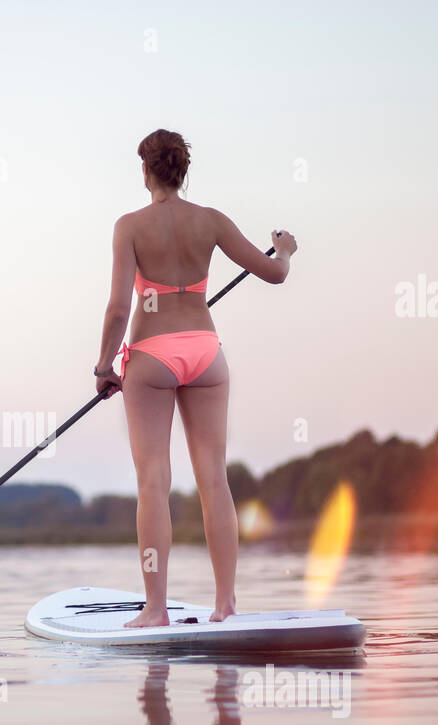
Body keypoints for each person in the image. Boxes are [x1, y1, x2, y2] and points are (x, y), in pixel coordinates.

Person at [94, 129, 297, 627]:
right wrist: (284, 249)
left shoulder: (129, 227)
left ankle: (156, 609)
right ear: (183, 171)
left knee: (154, 483)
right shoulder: (211, 221)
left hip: (151, 356)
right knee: (214, 480)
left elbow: (121, 307)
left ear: (146, 172)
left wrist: (104, 366)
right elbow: (274, 274)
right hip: (206, 354)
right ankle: (226, 605)